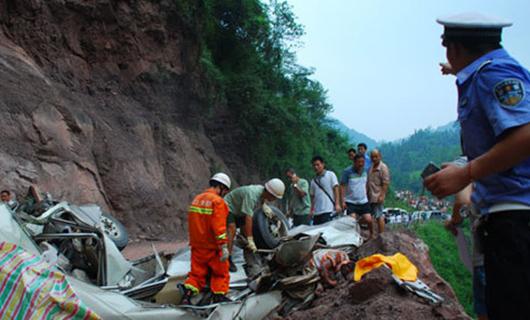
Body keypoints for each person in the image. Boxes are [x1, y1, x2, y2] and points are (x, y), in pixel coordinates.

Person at [425, 13, 530, 319]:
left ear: (453, 49)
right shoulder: (486, 71)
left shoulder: (493, 75)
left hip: (515, 220)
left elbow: (525, 135)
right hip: (506, 220)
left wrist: (466, 173)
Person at [178, 173, 231, 304]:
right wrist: (223, 246)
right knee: (221, 273)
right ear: (221, 187)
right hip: (213, 248)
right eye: (225, 191)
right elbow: (219, 227)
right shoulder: (218, 202)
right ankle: (218, 297)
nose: (224, 194)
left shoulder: (197, 199)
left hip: (197, 246)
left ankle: (187, 294)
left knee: (196, 274)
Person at [224, 178, 285, 271]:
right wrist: (250, 239)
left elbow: (250, 214)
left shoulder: (262, 193)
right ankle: (227, 259)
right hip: (228, 207)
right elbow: (248, 217)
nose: (274, 199)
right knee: (232, 229)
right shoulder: (252, 194)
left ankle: (251, 262)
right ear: (270, 193)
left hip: (239, 210)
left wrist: (264, 207)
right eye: (275, 197)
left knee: (245, 237)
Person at [340, 154, 373, 238]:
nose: (361, 164)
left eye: (362, 162)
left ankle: (372, 235)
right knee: (352, 220)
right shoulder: (347, 172)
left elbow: (367, 184)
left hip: (363, 201)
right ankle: (353, 237)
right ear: (354, 162)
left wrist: (368, 195)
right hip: (351, 201)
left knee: (368, 219)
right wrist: (342, 201)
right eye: (359, 162)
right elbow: (343, 186)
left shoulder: (366, 170)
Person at [310, 156, 341, 225]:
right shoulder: (313, 181)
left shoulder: (330, 175)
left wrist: (337, 204)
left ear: (323, 164)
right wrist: (311, 210)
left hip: (328, 210)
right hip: (317, 212)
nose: (316, 167)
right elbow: (312, 196)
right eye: (314, 165)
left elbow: (336, 189)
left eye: (318, 164)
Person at [367, 149, 390, 235]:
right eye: (372, 157)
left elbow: (385, 183)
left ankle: (381, 235)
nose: (374, 158)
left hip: (377, 196)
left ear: (380, 156)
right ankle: (372, 234)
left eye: (376, 156)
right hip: (370, 196)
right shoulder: (371, 168)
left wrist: (382, 195)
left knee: (379, 216)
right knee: (371, 216)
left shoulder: (383, 168)